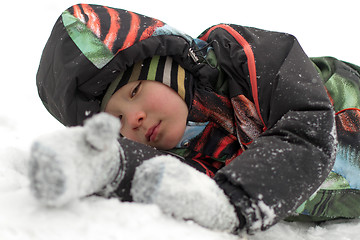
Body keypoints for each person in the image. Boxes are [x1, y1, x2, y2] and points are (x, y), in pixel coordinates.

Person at [32, 3, 360, 234]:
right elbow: (149, 176)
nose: (135, 118)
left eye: (134, 93)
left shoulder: (239, 57)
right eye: (116, 121)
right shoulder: (185, 155)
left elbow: (307, 124)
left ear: (167, 67)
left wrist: (238, 201)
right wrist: (96, 162)